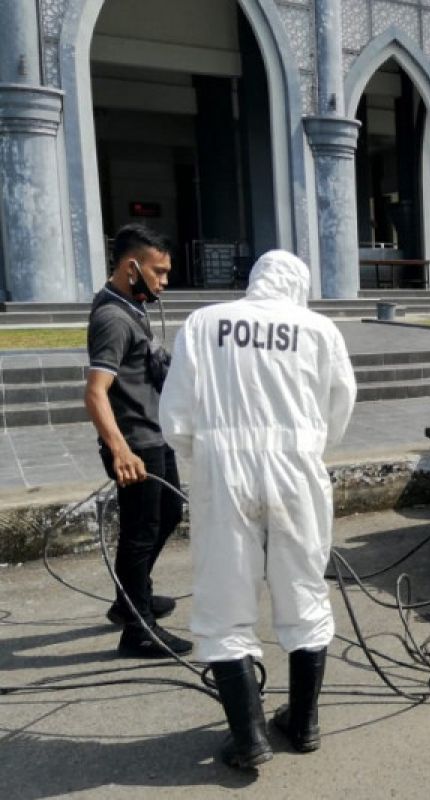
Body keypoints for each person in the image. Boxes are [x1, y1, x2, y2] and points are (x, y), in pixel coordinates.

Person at [160, 250, 357, 769]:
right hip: (297, 470)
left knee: (224, 602)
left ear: (254, 281)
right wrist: (306, 446)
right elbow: (340, 405)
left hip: (224, 472)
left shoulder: (204, 324)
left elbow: (176, 416)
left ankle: (248, 739)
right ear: (297, 286)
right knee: (304, 591)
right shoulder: (319, 330)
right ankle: (305, 723)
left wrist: (207, 456)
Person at [83, 224, 192, 658]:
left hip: (154, 433)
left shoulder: (133, 306)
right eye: (158, 271)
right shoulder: (112, 317)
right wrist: (120, 449)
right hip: (135, 443)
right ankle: (138, 629)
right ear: (132, 266)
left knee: (169, 512)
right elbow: (94, 392)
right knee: (140, 532)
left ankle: (130, 598)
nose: (164, 281)